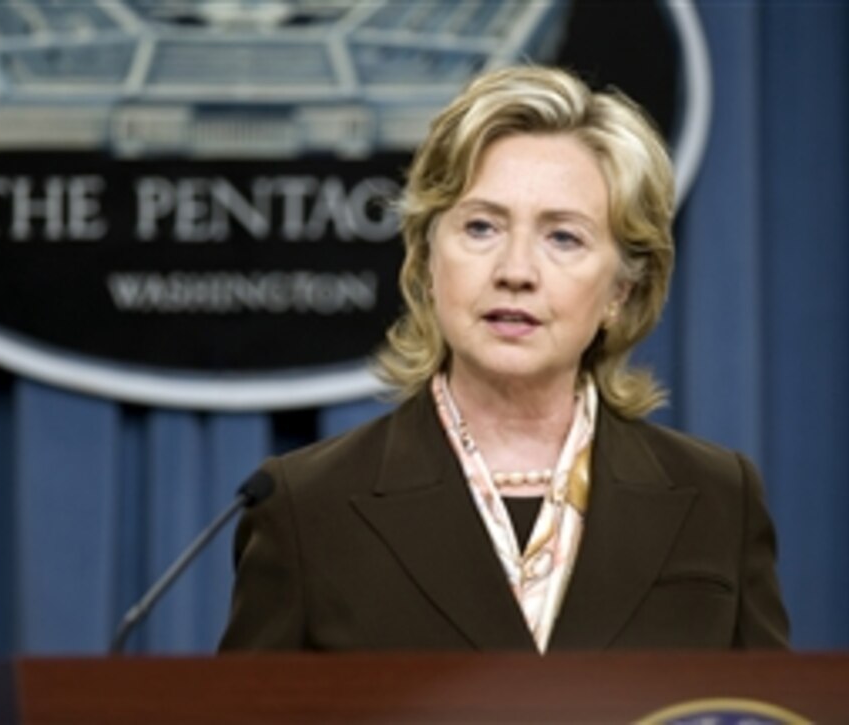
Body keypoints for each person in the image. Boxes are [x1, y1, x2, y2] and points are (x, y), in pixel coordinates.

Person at [219, 65, 789, 653]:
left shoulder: (719, 498)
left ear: (621, 290)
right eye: (482, 227)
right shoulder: (307, 507)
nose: (515, 272)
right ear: (426, 260)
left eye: (563, 237)